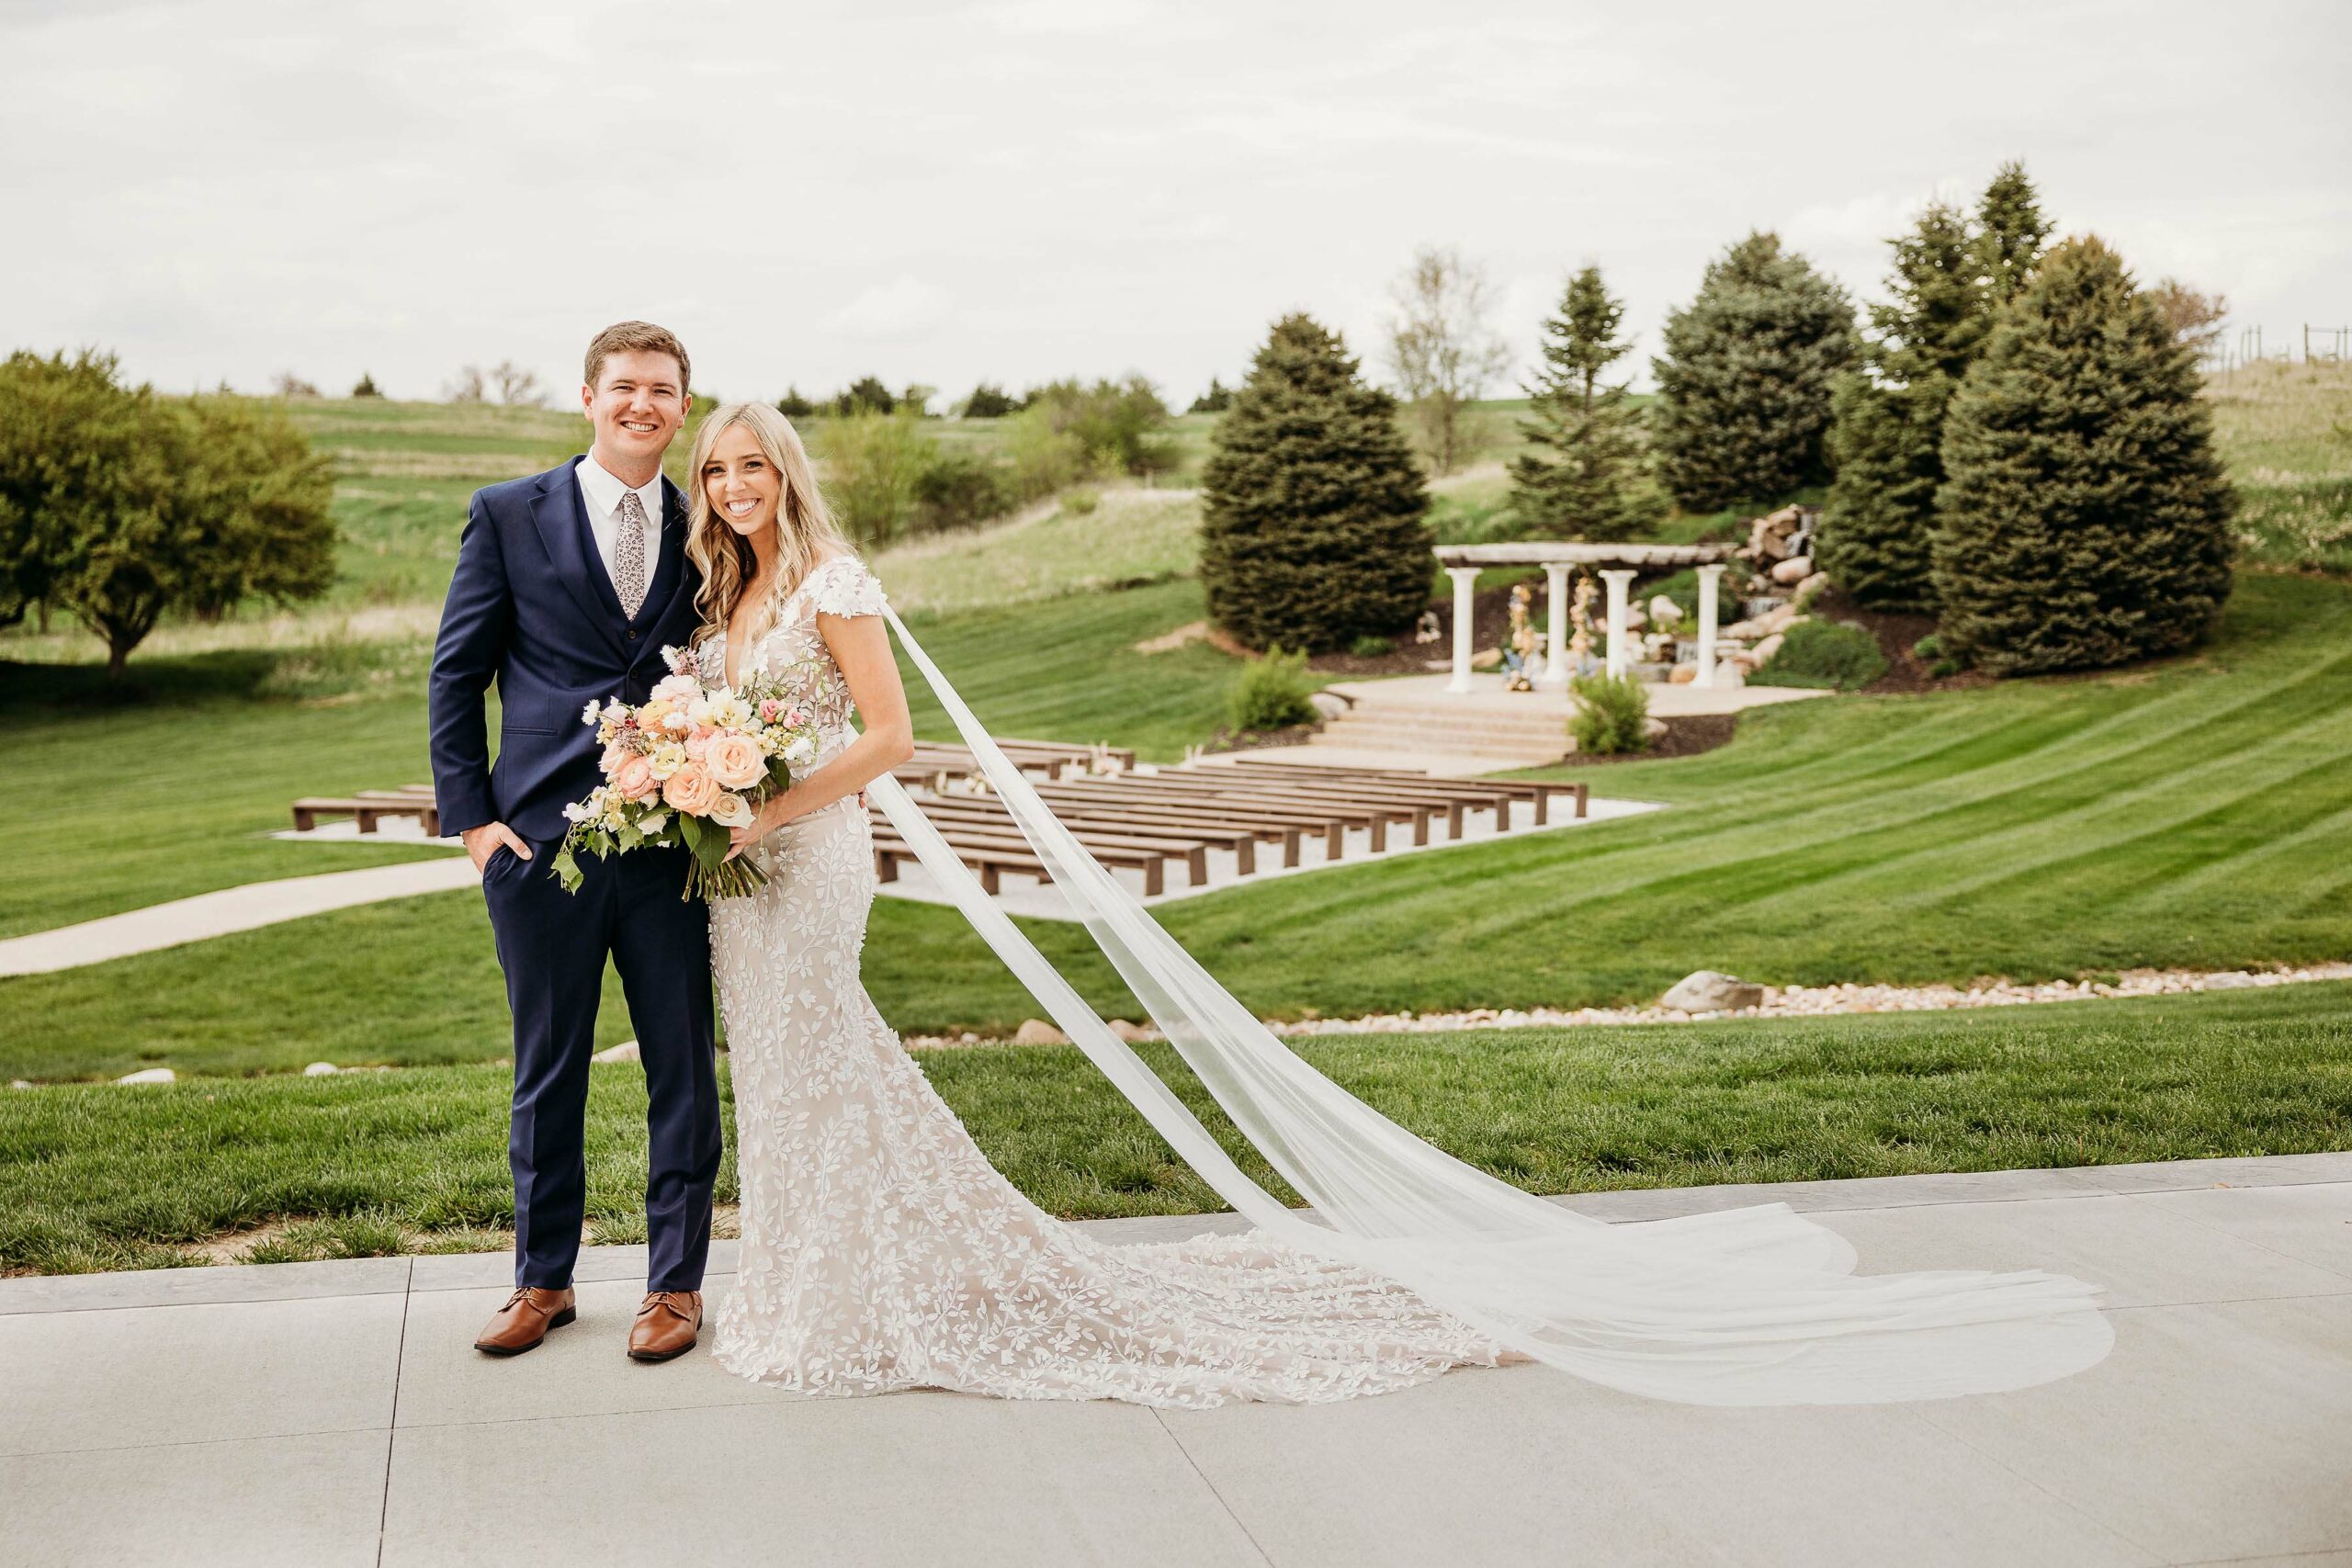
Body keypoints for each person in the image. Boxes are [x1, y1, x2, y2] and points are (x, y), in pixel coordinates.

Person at [679, 400, 2116, 1407]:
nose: (737, 484)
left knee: (825, 1057)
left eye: (753, 465)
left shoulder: (834, 579)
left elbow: (891, 739)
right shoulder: (726, 595)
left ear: (788, 472)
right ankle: (806, 1283)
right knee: (786, 1073)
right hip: (741, 875)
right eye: (719, 469)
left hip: (813, 855)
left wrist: (767, 807)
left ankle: (843, 1295)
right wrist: (696, 783)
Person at [429, 321, 722, 1364]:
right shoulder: (509, 514)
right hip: (537, 848)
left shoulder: (707, 525)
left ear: (683, 406)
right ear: (589, 396)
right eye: (625, 386)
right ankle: (542, 1279)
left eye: (663, 389)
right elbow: (457, 674)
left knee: (681, 1066)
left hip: (675, 846)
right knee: (547, 1070)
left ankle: (675, 1283)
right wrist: (475, 825)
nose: (643, 404)